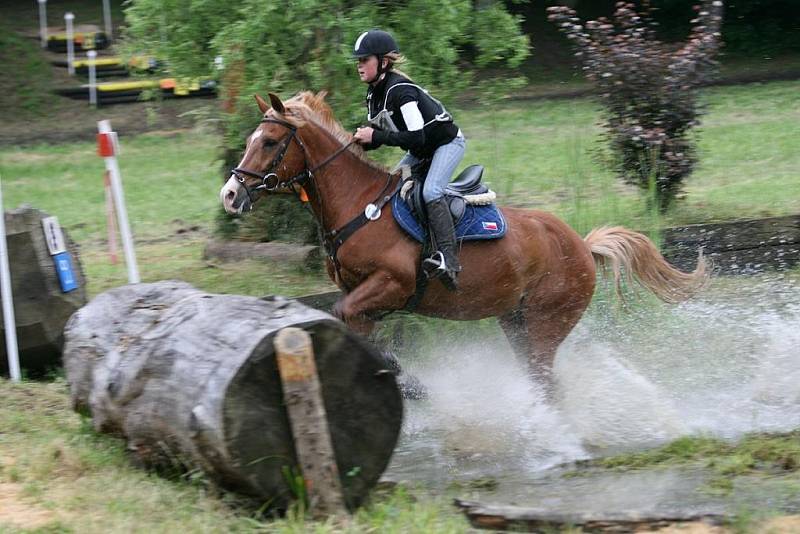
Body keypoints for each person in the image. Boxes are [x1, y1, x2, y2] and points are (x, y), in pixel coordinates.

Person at [351, 29, 465, 291]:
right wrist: (363, 140)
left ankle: (449, 260)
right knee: (390, 187)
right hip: (423, 148)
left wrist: (376, 135)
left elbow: (416, 137)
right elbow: (383, 136)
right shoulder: (374, 93)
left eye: (364, 60)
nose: (359, 65)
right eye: (358, 61)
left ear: (383, 62)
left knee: (431, 192)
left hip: (446, 144)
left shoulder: (400, 90)